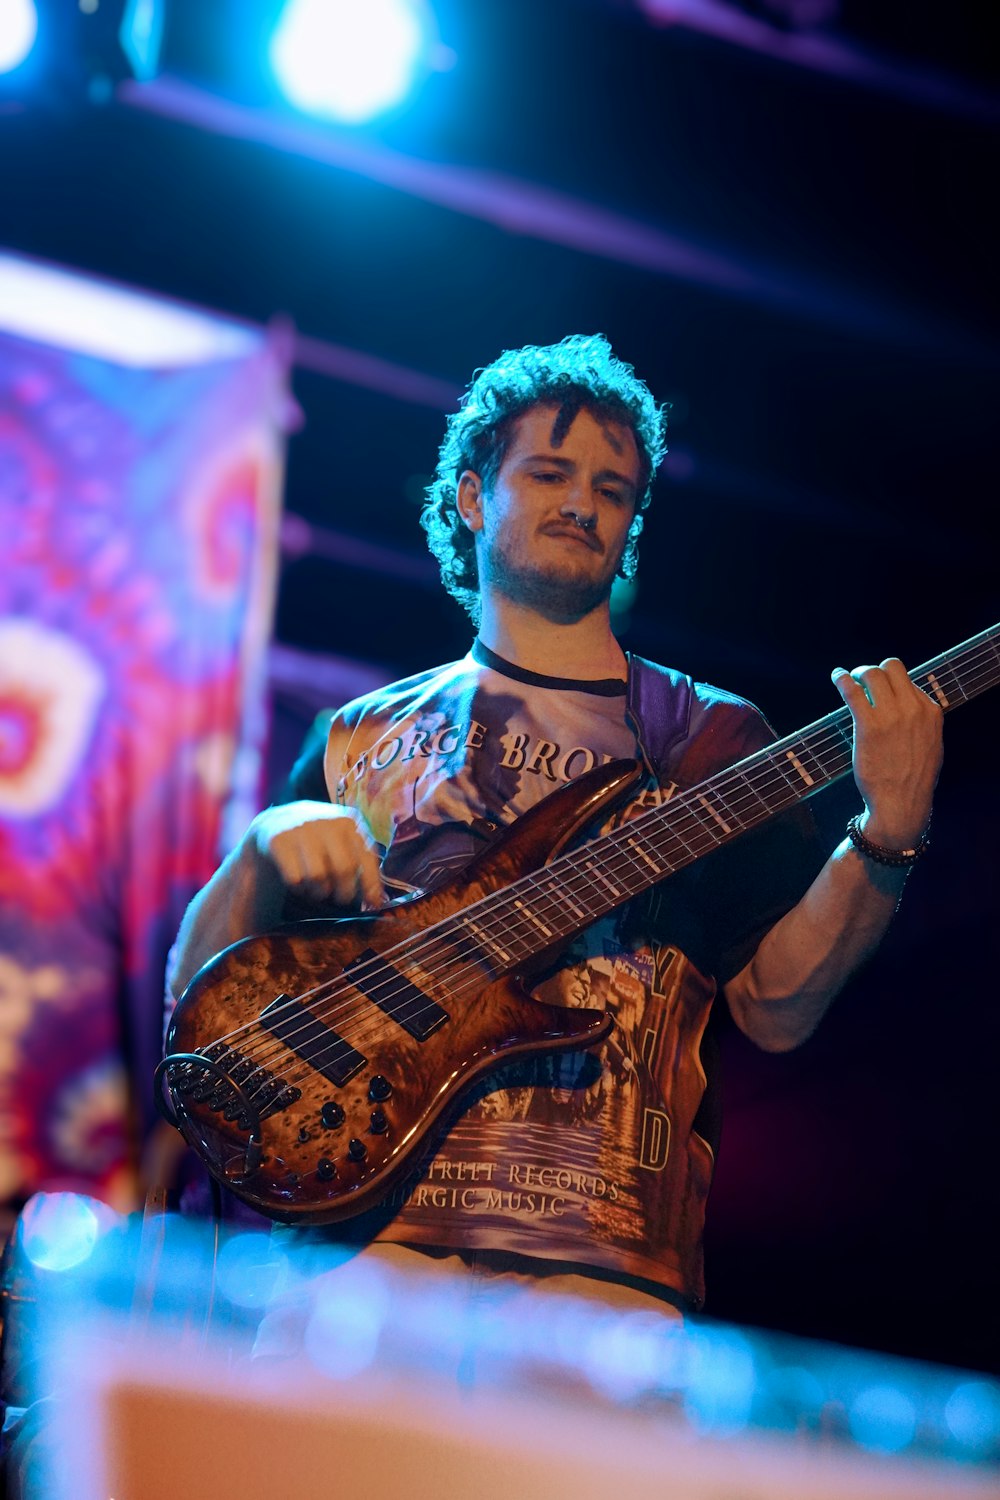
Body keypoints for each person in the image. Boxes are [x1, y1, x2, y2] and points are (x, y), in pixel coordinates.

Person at [168, 334, 943, 1323]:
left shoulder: (709, 738)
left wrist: (887, 832)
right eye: (550, 472)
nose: (582, 502)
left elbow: (775, 1009)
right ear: (468, 494)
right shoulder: (356, 738)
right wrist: (262, 844)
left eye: (613, 490)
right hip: (355, 1271)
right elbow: (194, 1027)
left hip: (602, 1283)